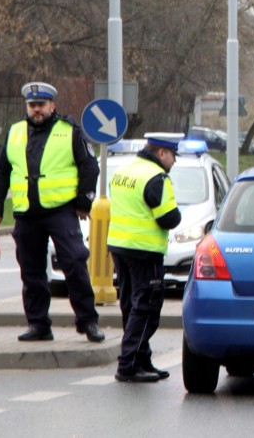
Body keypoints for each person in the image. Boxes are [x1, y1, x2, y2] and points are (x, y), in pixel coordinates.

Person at [0, 82, 104, 343]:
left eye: (41, 105)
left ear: (52, 105)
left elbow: (89, 166)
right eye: (32, 106)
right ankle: (39, 324)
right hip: (26, 213)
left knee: (74, 262)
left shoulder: (70, 131)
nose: (36, 110)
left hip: (60, 211)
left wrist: (84, 203)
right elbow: (1, 173)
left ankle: (88, 322)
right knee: (31, 271)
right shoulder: (16, 132)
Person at [108, 132, 183, 383]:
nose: (174, 161)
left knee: (131, 305)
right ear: (161, 153)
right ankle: (128, 364)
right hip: (144, 250)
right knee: (147, 308)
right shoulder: (156, 177)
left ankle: (141, 359)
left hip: (120, 247)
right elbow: (169, 218)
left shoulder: (125, 170)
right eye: (173, 155)